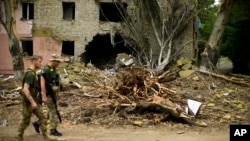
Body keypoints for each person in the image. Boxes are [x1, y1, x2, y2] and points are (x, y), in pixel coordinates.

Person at [16, 55, 51, 141]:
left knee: (43, 118)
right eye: (40, 61)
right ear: (34, 61)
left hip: (34, 100)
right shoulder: (29, 74)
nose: (41, 63)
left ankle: (46, 137)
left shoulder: (34, 73)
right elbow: (25, 89)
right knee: (25, 120)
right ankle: (19, 136)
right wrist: (32, 102)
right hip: (28, 102)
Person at [33, 54, 63, 136]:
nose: (58, 63)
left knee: (51, 110)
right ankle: (53, 130)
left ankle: (38, 123)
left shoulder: (53, 69)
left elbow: (55, 82)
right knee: (53, 111)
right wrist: (43, 95)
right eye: (58, 62)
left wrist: (58, 93)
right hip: (47, 94)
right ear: (53, 61)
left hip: (53, 93)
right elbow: (42, 83)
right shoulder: (45, 69)